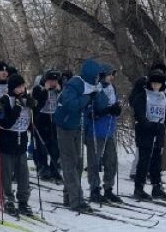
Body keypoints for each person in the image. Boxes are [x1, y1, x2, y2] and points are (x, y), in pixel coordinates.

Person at [52, 58, 103, 212]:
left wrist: (97, 95)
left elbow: (101, 103)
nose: (97, 79)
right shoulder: (75, 83)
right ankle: (76, 200)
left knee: (79, 163)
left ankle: (69, 195)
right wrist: (88, 97)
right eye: (96, 76)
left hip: (78, 126)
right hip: (65, 126)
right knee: (69, 163)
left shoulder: (92, 85)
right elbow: (71, 104)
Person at [130, 66, 166, 200]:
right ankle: (138, 188)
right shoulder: (144, 95)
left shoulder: (162, 97)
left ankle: (156, 187)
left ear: (162, 84)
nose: (156, 85)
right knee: (144, 160)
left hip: (158, 131)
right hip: (145, 131)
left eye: (158, 83)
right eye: (154, 82)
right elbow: (139, 113)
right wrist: (147, 124)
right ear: (150, 82)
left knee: (156, 161)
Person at [0, 73, 34, 217]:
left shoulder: (25, 99)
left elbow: (30, 122)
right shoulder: (5, 100)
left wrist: (32, 106)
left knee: (23, 174)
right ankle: (7, 199)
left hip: (22, 142)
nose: (21, 89)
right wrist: (17, 108)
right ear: (12, 88)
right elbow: (5, 122)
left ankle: (23, 201)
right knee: (6, 173)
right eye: (18, 87)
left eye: (23, 86)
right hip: (7, 142)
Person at [84, 66, 122, 203]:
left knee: (111, 161)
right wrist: (105, 111)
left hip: (109, 130)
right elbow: (89, 112)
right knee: (94, 162)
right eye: (109, 75)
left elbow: (115, 106)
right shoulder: (94, 89)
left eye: (113, 75)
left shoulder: (113, 89)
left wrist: (117, 110)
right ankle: (94, 189)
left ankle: (108, 189)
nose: (111, 78)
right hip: (96, 131)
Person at [31, 70, 62, 182]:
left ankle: (54, 170)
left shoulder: (58, 89)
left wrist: (59, 91)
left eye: (55, 80)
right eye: (51, 80)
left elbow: (63, 102)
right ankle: (43, 169)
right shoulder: (38, 89)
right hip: (42, 120)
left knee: (55, 147)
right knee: (42, 147)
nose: (53, 83)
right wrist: (45, 90)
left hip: (54, 119)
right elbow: (38, 104)